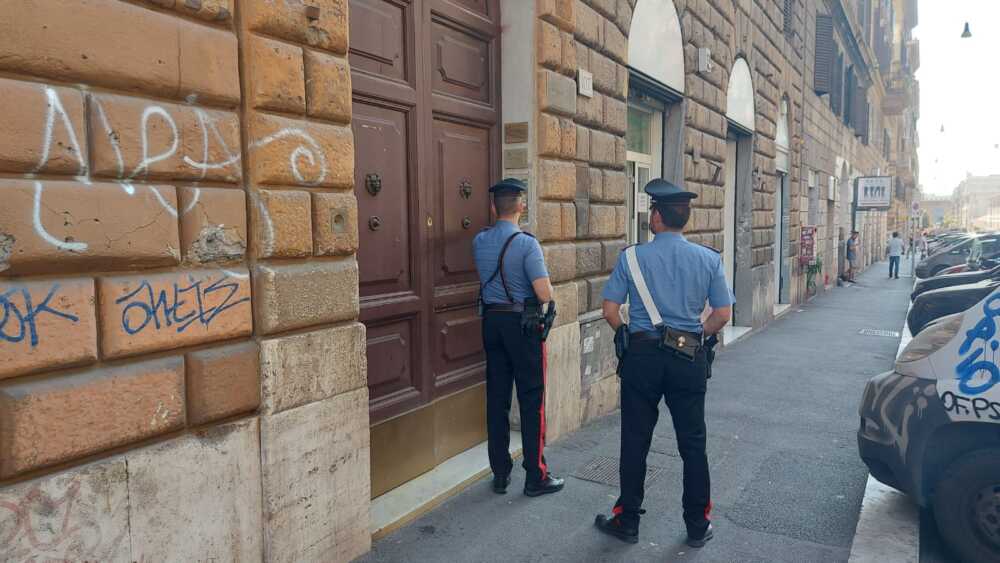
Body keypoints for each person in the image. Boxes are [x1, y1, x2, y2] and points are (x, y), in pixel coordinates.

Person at [594, 179, 734, 548]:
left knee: (635, 440)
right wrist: (696, 335)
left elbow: (609, 310)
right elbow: (723, 313)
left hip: (642, 358)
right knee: (692, 442)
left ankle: (627, 522)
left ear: (656, 217)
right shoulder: (708, 259)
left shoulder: (631, 258)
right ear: (683, 218)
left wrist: (624, 331)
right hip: (687, 356)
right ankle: (696, 526)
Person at [473, 178, 565, 498]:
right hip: (521, 326)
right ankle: (535, 475)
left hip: (491, 321)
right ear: (521, 206)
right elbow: (543, 292)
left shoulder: (479, 241)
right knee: (531, 398)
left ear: (492, 207)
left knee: (497, 399)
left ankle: (500, 473)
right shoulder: (527, 244)